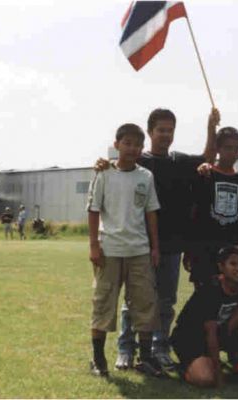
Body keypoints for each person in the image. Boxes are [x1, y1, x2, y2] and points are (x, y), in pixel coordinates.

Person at [101, 108, 217, 371]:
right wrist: (101, 163)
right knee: (135, 300)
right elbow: (113, 164)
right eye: (161, 130)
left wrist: (211, 127)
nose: (165, 135)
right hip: (138, 244)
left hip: (172, 245)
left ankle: (160, 348)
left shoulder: (180, 161)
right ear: (150, 131)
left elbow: (208, 156)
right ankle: (125, 349)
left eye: (170, 130)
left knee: (166, 301)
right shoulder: (138, 160)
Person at [86, 123, 163, 378]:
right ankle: (98, 359)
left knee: (144, 304)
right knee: (103, 303)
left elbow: (151, 212)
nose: (132, 148)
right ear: (116, 144)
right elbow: (93, 210)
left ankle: (146, 357)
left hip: (139, 250)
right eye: (127, 143)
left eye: (137, 144)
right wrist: (94, 246)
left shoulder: (146, 176)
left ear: (142, 149)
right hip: (109, 250)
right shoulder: (103, 173)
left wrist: (154, 247)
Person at [170, 245, 238, 386]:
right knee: (206, 379)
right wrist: (218, 375)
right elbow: (210, 334)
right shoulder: (210, 289)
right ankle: (186, 368)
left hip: (218, 333)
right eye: (233, 264)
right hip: (191, 339)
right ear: (221, 267)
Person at [186, 126, 238, 287]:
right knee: (204, 298)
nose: (232, 153)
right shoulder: (205, 175)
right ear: (218, 148)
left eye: (236, 149)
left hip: (232, 254)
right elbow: (194, 212)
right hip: (204, 250)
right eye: (228, 148)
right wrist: (189, 249)